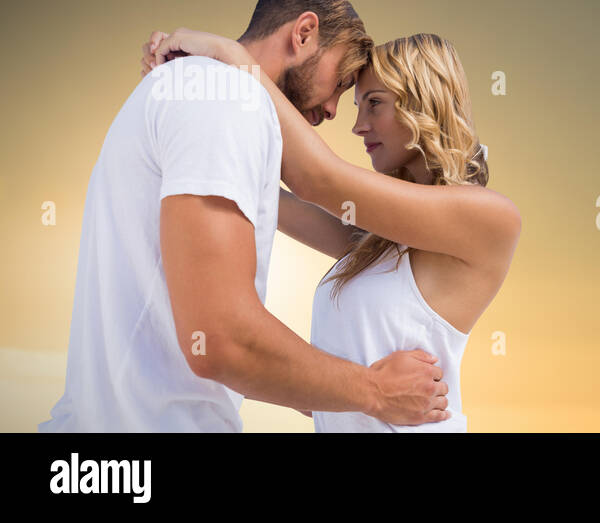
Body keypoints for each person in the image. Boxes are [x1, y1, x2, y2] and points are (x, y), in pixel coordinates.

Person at [40, 0, 448, 433]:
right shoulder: (227, 100)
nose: (334, 110)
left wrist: (324, 385)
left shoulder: (196, 89)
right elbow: (221, 341)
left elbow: (360, 239)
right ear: (304, 33)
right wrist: (375, 391)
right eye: (341, 82)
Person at [142, 28, 522, 432]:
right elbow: (265, 195)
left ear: (424, 101)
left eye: (375, 104)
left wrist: (230, 56)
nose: (359, 126)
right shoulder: (377, 243)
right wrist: (201, 97)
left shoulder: (489, 218)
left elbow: (317, 179)